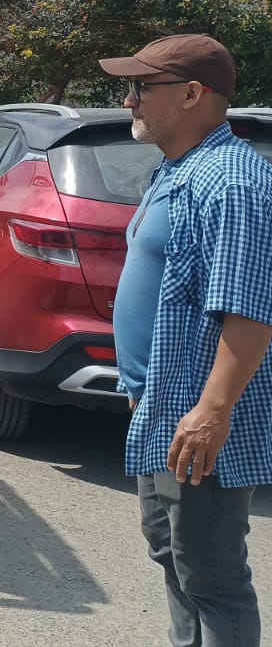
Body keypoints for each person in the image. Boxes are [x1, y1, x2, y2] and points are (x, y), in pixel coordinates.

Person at [100, 34, 272, 646]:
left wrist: (211, 412)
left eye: (141, 87)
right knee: (173, 554)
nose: (129, 101)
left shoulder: (231, 182)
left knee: (212, 574)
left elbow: (249, 310)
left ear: (193, 94)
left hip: (199, 419)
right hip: (161, 407)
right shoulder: (179, 169)